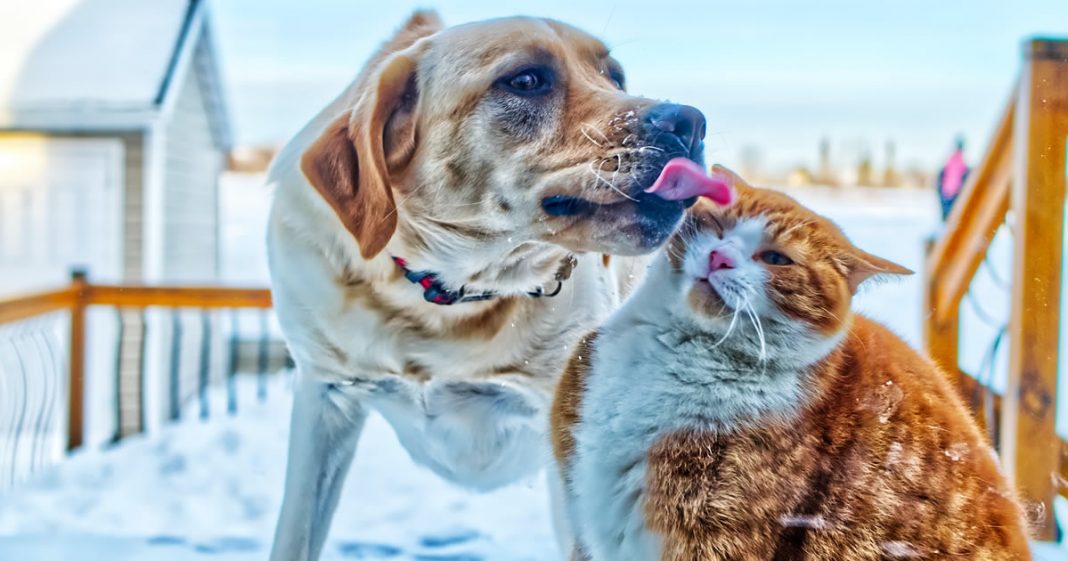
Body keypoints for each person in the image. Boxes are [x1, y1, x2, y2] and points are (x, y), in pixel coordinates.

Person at [937, 137, 969, 219]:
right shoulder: (959, 159)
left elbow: (942, 174)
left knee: (948, 216)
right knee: (951, 216)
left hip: (948, 193)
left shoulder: (951, 159)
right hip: (953, 193)